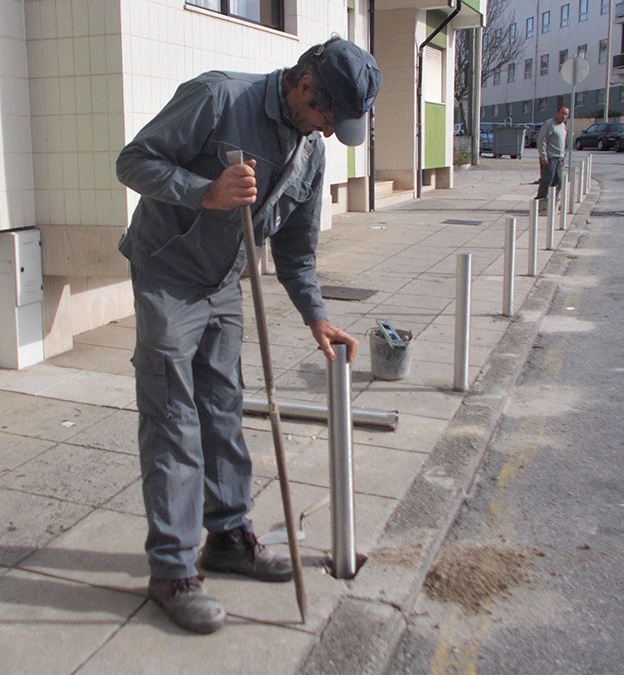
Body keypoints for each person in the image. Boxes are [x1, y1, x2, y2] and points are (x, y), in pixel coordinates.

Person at [115, 37, 379, 634]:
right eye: (326, 116)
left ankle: (229, 537)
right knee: (175, 421)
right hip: (168, 276)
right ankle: (173, 570)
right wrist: (204, 192)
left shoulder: (310, 152)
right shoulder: (217, 97)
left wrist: (316, 316)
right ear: (305, 85)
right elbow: (133, 161)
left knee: (223, 410)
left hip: (225, 282)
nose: (331, 132)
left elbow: (295, 250)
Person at [536, 105, 570, 211]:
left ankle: (555, 201)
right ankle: (541, 202)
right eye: (562, 113)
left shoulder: (563, 126)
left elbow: (563, 143)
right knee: (547, 180)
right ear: (557, 113)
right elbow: (542, 140)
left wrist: (563, 158)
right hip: (549, 158)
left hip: (559, 158)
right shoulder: (549, 124)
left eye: (566, 114)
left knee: (558, 180)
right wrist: (543, 155)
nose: (564, 116)